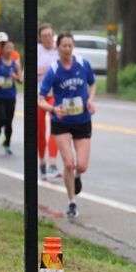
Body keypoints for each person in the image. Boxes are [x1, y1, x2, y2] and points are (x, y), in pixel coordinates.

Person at [38, 33, 96, 219]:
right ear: (58, 48)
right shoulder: (53, 70)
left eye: (70, 46)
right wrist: (53, 109)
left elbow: (92, 84)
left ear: (73, 47)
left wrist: (91, 101)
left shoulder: (83, 64)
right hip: (61, 121)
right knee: (69, 163)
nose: (67, 49)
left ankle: (77, 177)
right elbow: (40, 99)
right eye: (64, 46)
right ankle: (72, 202)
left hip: (82, 120)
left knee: (83, 165)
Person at [34, 24, 61, 180]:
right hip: (38, 95)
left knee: (56, 125)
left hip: (55, 94)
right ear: (40, 38)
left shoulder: (58, 50)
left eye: (50, 35)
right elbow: (25, 75)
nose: (48, 39)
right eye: (44, 36)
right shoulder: (37, 50)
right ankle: (42, 162)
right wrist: (41, 72)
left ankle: (52, 164)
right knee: (39, 130)